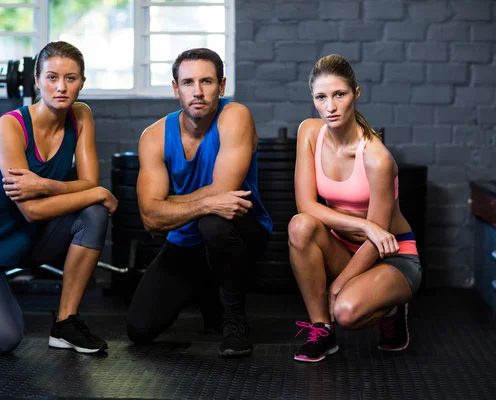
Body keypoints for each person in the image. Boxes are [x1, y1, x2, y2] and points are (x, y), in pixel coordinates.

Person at [0, 41, 117, 354]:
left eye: (71, 78)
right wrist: (92, 190)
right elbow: (33, 210)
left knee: (94, 211)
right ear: (36, 80)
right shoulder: (10, 127)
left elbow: (90, 183)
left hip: (28, 239)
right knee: (4, 339)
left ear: (82, 82)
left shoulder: (82, 116)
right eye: (51, 77)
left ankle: (66, 323)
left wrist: (49, 185)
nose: (61, 87)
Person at [125, 48, 272, 357]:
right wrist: (203, 203)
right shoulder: (153, 137)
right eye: (188, 82)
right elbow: (150, 217)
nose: (198, 91)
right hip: (187, 239)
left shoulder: (235, 116)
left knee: (214, 224)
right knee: (139, 330)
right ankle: (206, 286)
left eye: (207, 81)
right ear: (176, 88)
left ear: (221, 85)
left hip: (243, 228)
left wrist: (169, 204)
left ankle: (234, 321)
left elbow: (224, 192)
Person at [289, 54, 422, 362]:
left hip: (391, 255)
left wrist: (337, 285)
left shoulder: (377, 158)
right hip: (344, 245)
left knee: (345, 311)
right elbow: (305, 205)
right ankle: (321, 329)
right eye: (321, 97)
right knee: (300, 225)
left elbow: (378, 242)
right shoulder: (309, 133)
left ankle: (391, 306)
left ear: (356, 94)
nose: (331, 107)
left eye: (340, 95)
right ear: (313, 99)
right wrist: (363, 225)